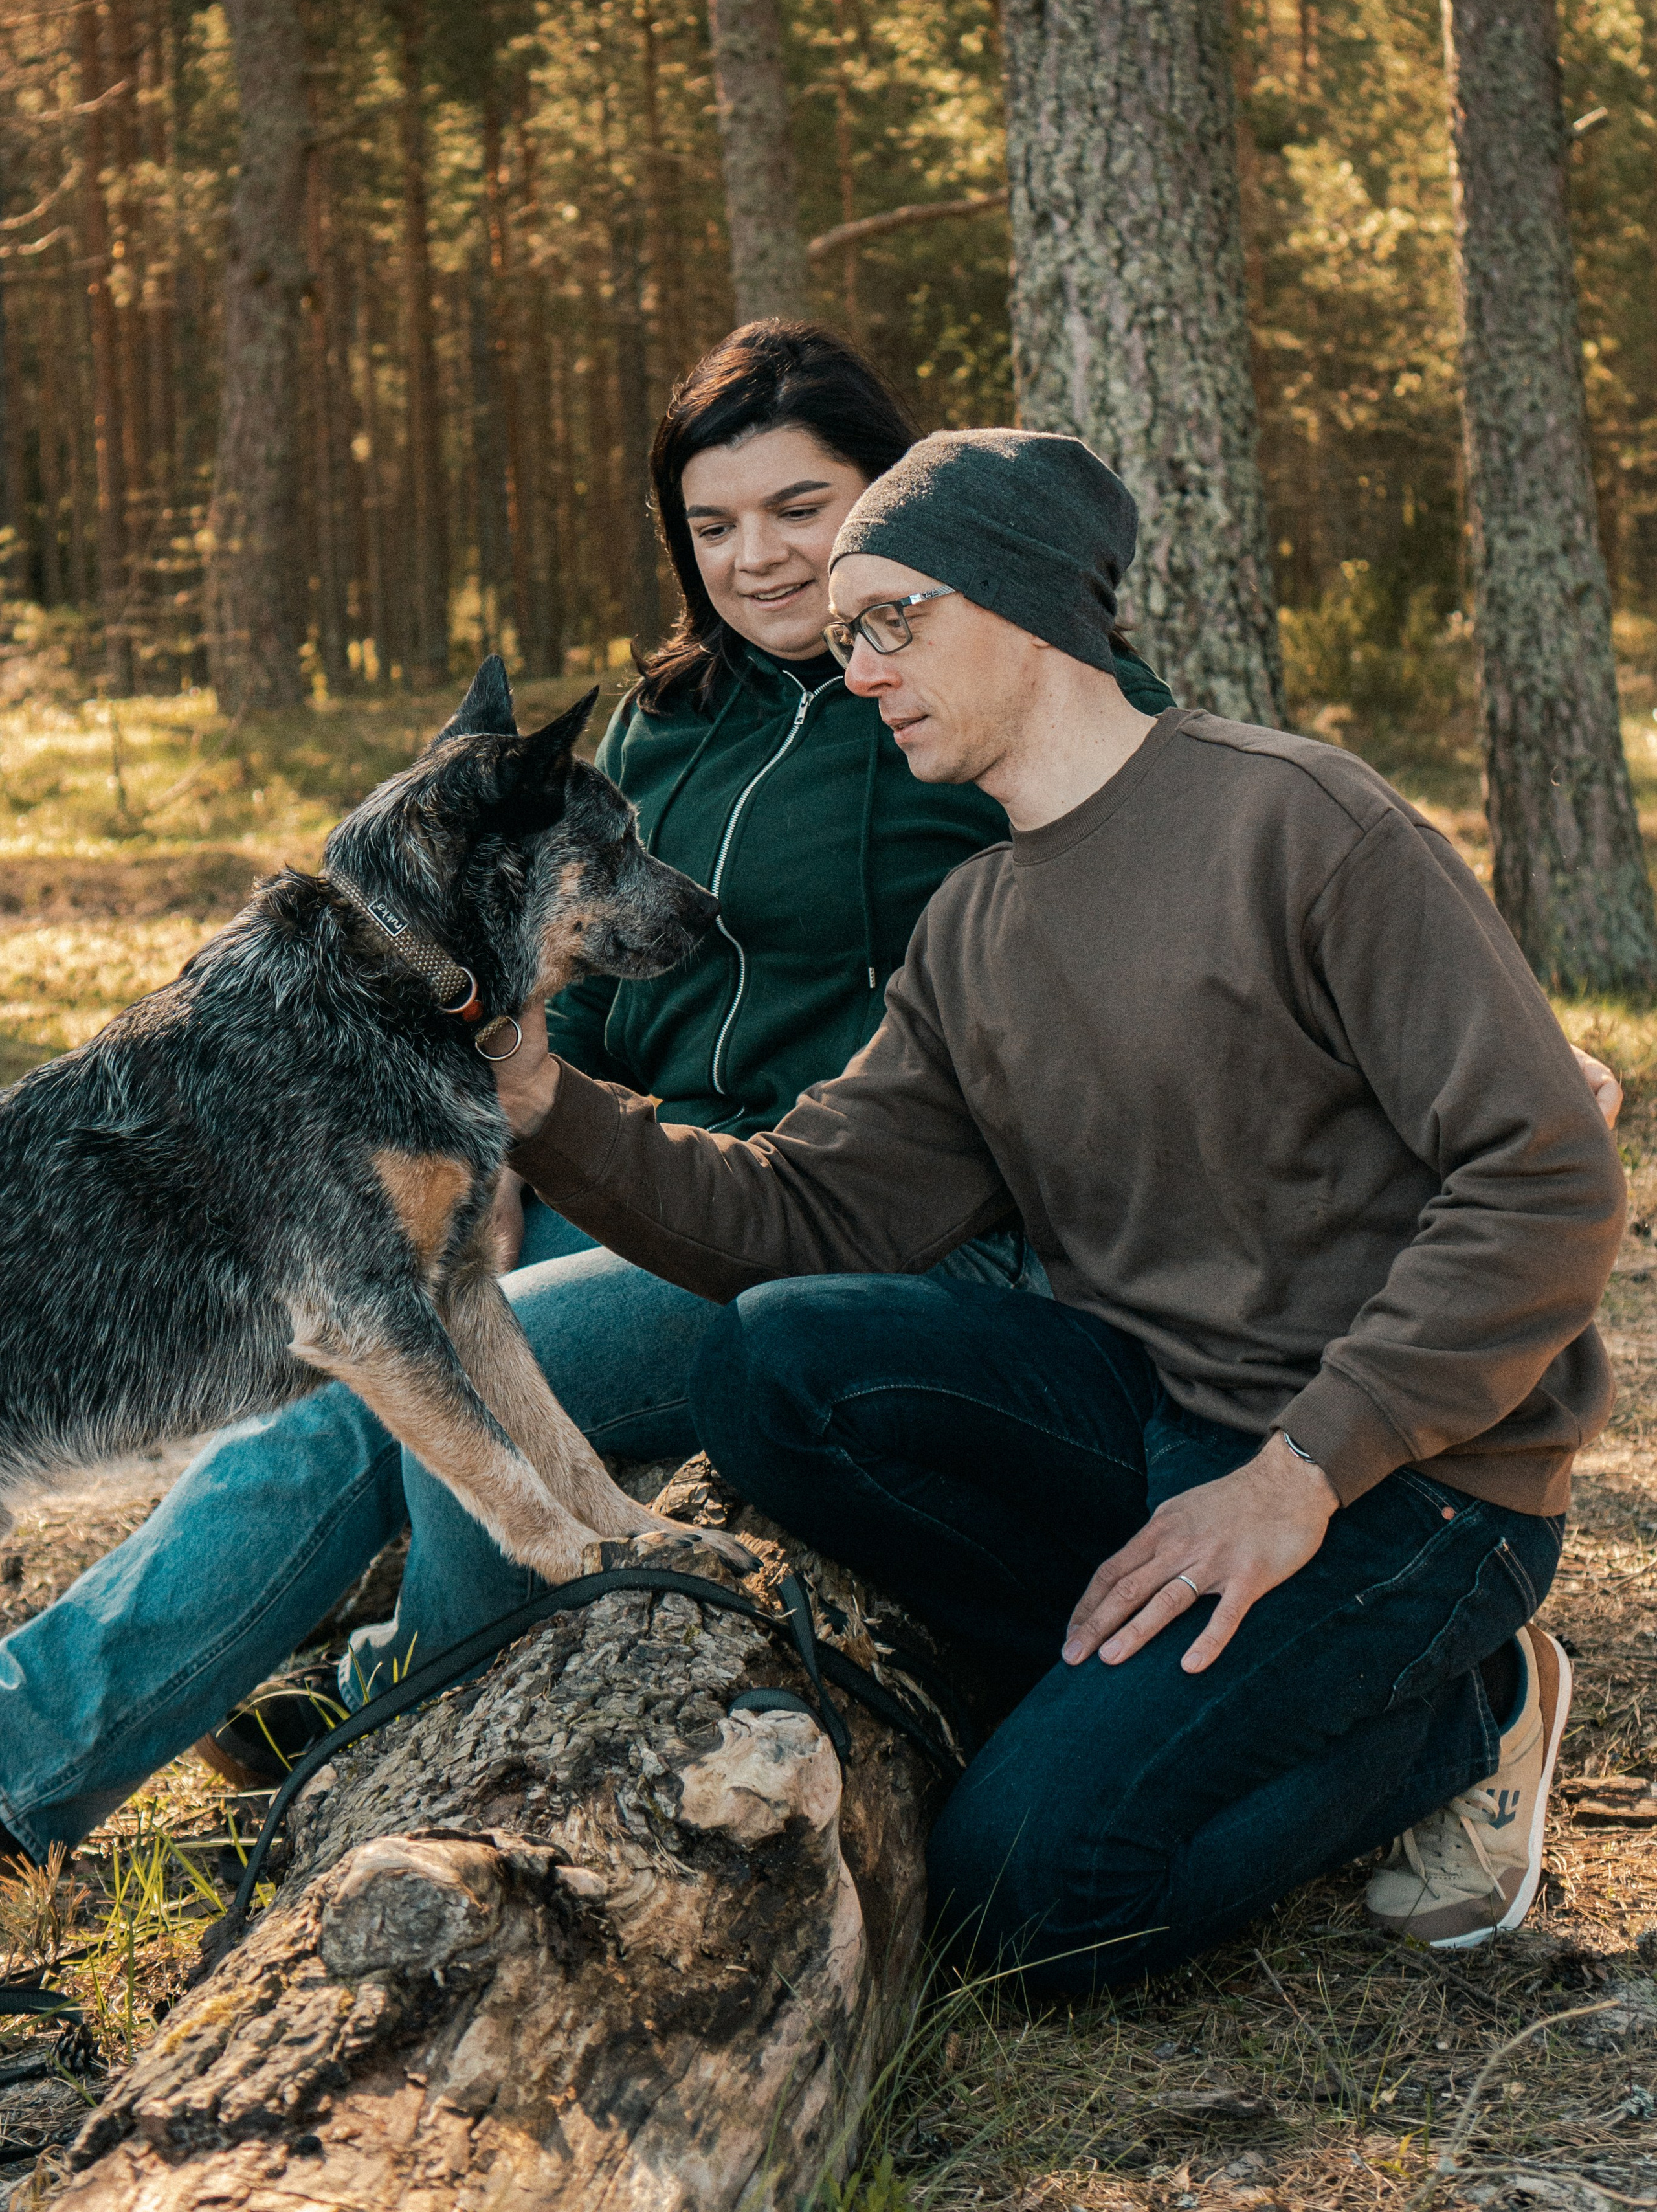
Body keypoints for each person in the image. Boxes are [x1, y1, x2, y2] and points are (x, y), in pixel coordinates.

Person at [0, 328, 1177, 1864]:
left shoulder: (1003, 687)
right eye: (712, 523)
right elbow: (554, 996)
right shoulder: (664, 720)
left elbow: (1185, 902)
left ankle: (316, 1734)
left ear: (888, 500)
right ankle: (345, 1699)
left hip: (863, 1232)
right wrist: (495, 1166)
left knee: (393, 1392)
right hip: (628, 1184)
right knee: (352, 1359)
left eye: (800, 508)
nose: (757, 559)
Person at [496, 425, 1627, 1976]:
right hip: (1153, 1420)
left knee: (1024, 1898)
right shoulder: (976, 925)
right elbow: (805, 1212)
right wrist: (546, 1109)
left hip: (1411, 1479)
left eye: (891, 619)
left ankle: (1462, 1709)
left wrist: (1301, 1468)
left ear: (1018, 599)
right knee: (774, 1359)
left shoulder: (1299, 824)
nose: (862, 667)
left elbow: (1547, 1174)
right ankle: (1135, 1687)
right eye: (843, 637)